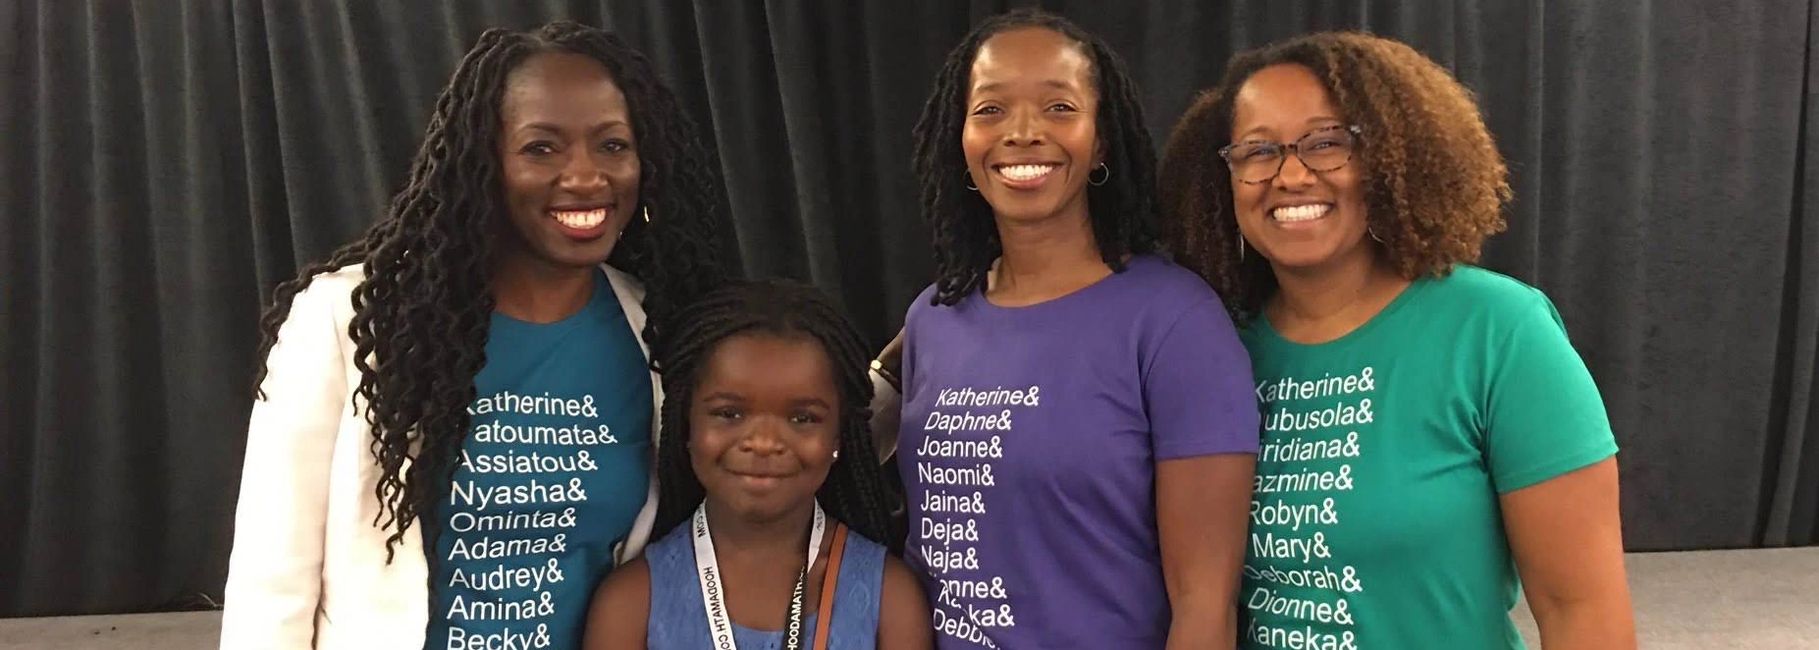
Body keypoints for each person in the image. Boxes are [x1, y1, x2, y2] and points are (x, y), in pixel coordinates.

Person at [219, 21, 734, 650]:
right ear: (482, 162)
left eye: (612, 145)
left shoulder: (657, 328)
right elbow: (272, 577)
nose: (585, 176)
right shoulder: (352, 320)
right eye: (541, 148)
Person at [1156, 31, 1637, 650]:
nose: (1291, 174)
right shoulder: (1214, 349)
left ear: (1387, 156)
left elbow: (1583, 611)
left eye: (1327, 143)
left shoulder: (1497, 330)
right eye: (1258, 151)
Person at [873, 8, 1261, 648]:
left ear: (1101, 140)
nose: (1023, 133)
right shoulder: (933, 316)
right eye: (990, 109)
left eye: (1059, 108)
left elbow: (1204, 607)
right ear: (960, 138)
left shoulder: (1175, 319)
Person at [584, 280, 933, 650]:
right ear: (686, 426)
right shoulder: (632, 603)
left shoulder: (890, 598)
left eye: (802, 418)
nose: (764, 442)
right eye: (729, 413)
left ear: (838, 436)